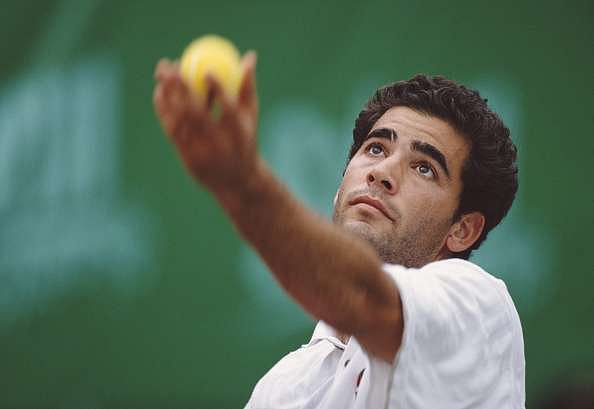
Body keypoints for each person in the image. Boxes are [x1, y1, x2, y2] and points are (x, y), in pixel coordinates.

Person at [153, 51, 526, 408]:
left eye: (424, 168)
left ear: (462, 230)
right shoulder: (283, 387)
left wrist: (241, 182)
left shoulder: (478, 309)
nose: (381, 173)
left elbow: (364, 299)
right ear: (338, 190)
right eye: (376, 149)